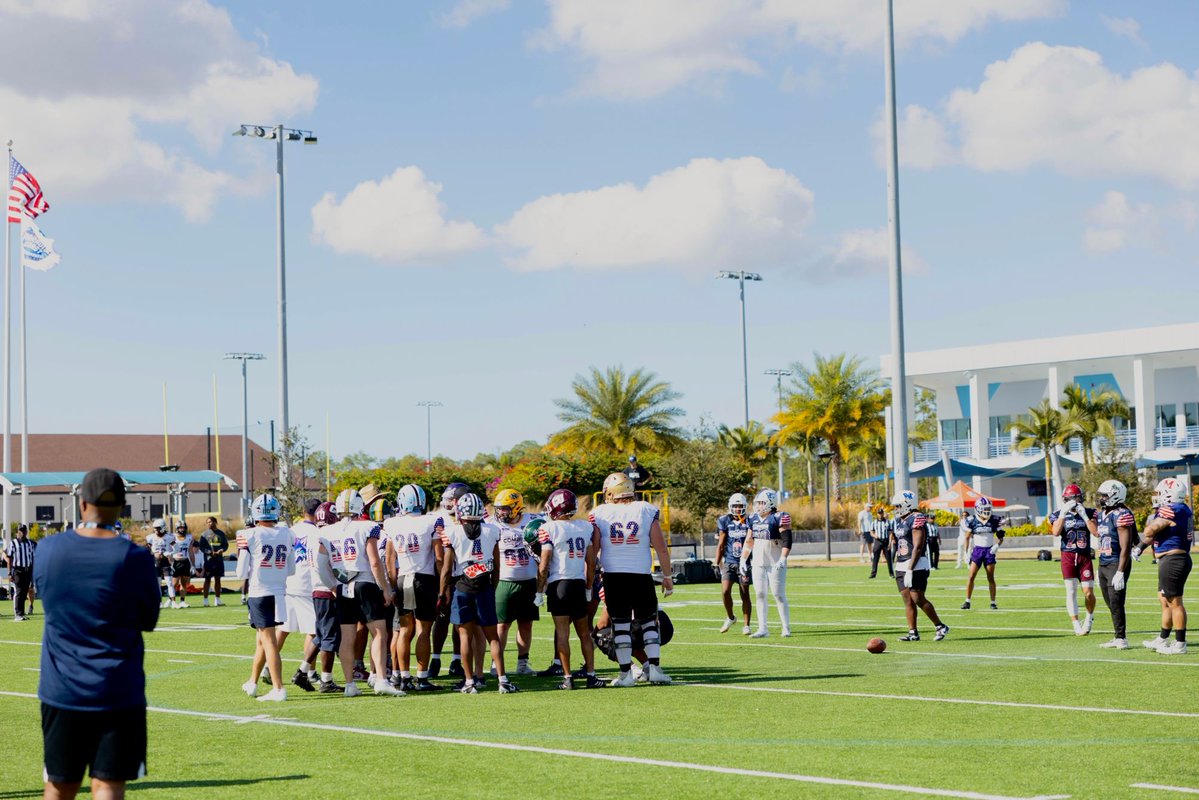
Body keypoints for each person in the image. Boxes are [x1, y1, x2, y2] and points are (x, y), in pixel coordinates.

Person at [35, 468, 159, 800]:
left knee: (59, 785)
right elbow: (149, 620)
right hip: (119, 689)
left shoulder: (48, 550)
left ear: (82, 503)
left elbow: (47, 598)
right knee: (108, 785)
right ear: (122, 505)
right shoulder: (136, 558)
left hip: (62, 690)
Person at [591, 472, 673, 686]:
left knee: (620, 625)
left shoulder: (600, 513)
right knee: (648, 623)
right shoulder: (645, 509)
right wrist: (667, 576)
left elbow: (595, 548)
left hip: (614, 576)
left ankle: (626, 674)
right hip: (641, 575)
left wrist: (588, 575)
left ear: (611, 493)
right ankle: (654, 669)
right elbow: (661, 548)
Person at [327, 489, 402, 696]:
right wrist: (385, 589)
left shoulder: (328, 531)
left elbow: (320, 562)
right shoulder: (368, 527)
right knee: (379, 633)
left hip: (342, 585)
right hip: (364, 583)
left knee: (347, 637)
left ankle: (350, 685)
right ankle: (381, 680)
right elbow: (375, 562)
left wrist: (332, 585)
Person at [439, 492, 515, 694]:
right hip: (484, 587)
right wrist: (494, 587)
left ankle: (469, 681)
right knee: (493, 637)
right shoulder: (492, 530)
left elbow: (447, 569)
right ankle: (502, 680)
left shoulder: (452, 532)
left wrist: (442, 591)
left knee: (465, 636)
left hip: (462, 587)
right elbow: (498, 567)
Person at [535, 489, 603, 689]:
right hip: (577, 584)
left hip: (559, 586)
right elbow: (591, 563)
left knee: (562, 633)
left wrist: (539, 591)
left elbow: (544, 564)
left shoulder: (549, 528)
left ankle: (567, 678)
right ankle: (591, 675)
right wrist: (589, 586)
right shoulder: (585, 527)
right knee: (583, 633)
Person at [383, 484, 444, 692]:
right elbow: (438, 558)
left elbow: (390, 560)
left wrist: (393, 586)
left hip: (403, 579)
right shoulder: (432, 520)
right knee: (424, 631)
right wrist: (443, 585)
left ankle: (404, 677)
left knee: (404, 631)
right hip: (423, 579)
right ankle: (422, 678)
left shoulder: (391, 523)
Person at [235, 494, 295, 702]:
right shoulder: (287, 533)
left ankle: (278, 688)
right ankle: (252, 682)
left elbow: (241, 572)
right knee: (262, 639)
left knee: (268, 640)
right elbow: (291, 569)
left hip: (259, 592)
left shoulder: (249, 534)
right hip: (279, 591)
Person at [1136, 477, 1193, 655]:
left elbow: (1149, 531)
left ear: (1169, 495)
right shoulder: (1182, 509)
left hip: (1173, 560)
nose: (1158, 497)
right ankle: (1163, 638)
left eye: (1160, 493)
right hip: (1172, 559)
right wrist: (1140, 547)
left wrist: (1154, 519)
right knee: (1165, 601)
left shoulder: (1172, 510)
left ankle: (1180, 644)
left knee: (1175, 602)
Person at [491, 488, 540, 679]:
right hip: (504, 581)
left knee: (526, 624)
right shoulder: (492, 525)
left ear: (516, 506)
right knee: (501, 626)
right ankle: (496, 663)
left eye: (504, 509)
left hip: (529, 581)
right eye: (499, 509)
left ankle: (522, 663)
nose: (500, 513)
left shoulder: (534, 521)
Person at [891, 490, 950, 642]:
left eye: (898, 506)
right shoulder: (898, 520)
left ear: (907, 505)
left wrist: (910, 568)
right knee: (907, 599)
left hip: (916, 563)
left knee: (917, 597)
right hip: (902, 562)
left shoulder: (917, 518)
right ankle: (913, 632)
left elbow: (918, 546)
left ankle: (940, 626)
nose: (896, 509)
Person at [278, 499, 322, 692]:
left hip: (289, 582)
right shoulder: (317, 532)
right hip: (306, 584)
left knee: (284, 629)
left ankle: (265, 668)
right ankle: (310, 672)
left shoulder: (291, 530)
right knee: (314, 630)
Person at [429, 481, 471, 679]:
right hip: (442, 576)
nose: (447, 503)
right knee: (442, 618)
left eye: (451, 499)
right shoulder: (436, 519)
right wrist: (442, 585)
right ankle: (435, 658)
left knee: (460, 621)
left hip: (464, 576)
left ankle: (456, 659)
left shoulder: (471, 517)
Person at [740, 488, 792, 638]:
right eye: (757, 503)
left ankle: (786, 627)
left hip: (775, 560)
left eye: (762, 503)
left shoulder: (779, 517)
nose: (758, 506)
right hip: (758, 561)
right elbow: (749, 541)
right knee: (760, 594)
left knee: (778, 594)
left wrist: (783, 558)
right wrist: (743, 559)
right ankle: (763, 628)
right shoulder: (752, 518)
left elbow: (787, 540)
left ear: (771, 503)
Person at [1048, 483, 1097, 636]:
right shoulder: (1057, 514)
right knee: (1071, 591)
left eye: (1077, 498)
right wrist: (1063, 513)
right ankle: (1075, 623)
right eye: (1072, 499)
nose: (1075, 502)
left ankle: (1089, 617)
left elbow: (1096, 532)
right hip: (1068, 555)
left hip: (1084, 555)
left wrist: (1084, 516)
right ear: (1065, 500)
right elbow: (1055, 532)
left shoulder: (1090, 512)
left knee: (1088, 592)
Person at [1095, 479, 1135, 649]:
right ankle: (1117, 635)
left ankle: (1121, 638)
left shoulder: (1121, 514)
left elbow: (1126, 546)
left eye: (1105, 495)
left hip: (1116, 562)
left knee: (1116, 601)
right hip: (1103, 562)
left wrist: (1120, 571)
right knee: (1110, 602)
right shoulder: (1103, 514)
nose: (1102, 498)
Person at [310, 501, 344, 693]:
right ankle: (326, 680)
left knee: (322, 636)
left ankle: (303, 670)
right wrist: (333, 586)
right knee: (329, 638)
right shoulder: (326, 536)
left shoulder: (313, 533)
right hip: (326, 589)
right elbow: (322, 566)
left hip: (317, 588)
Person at [715, 493, 752, 634]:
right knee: (725, 592)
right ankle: (730, 617)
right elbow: (721, 543)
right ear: (730, 506)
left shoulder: (749, 520)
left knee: (745, 593)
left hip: (744, 563)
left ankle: (746, 625)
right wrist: (716, 563)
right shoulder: (724, 520)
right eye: (735, 506)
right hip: (729, 562)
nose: (737, 509)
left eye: (740, 506)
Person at [961, 497, 1004, 610]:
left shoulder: (994, 520)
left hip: (989, 551)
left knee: (990, 577)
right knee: (971, 576)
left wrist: (997, 546)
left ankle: (993, 602)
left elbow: (1000, 537)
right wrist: (966, 553)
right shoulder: (972, 520)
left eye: (988, 508)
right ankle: (967, 601)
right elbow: (967, 538)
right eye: (984, 509)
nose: (986, 511)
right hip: (977, 551)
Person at [5, 524, 36, 620]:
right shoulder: (13, 543)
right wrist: (10, 572)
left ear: (26, 531)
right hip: (17, 570)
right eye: (20, 530)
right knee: (18, 591)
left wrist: (32, 572)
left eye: (23, 530)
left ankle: (21, 613)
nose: (22, 532)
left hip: (27, 570)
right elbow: (9, 558)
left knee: (24, 592)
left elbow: (32, 558)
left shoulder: (30, 544)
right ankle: (17, 614)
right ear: (18, 532)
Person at [198, 517, 228, 607]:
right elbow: (201, 547)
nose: (209, 523)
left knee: (218, 579)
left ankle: (217, 600)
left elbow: (225, 545)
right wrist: (210, 552)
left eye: (210, 522)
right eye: (207, 522)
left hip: (218, 560)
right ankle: (205, 600)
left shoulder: (221, 534)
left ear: (215, 522)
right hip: (209, 561)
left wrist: (222, 550)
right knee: (207, 580)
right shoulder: (204, 534)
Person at [167, 522, 196, 609]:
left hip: (185, 562)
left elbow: (191, 551)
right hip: (176, 562)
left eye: (183, 528)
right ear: (176, 528)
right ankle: (171, 600)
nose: (182, 529)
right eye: (180, 528)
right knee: (174, 584)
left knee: (184, 583)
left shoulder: (189, 538)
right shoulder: (172, 537)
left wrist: (193, 565)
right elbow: (168, 551)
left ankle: (182, 601)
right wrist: (171, 563)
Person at [145, 519, 171, 609]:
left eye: (158, 528)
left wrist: (168, 553)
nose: (156, 530)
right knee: (158, 583)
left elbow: (175, 548)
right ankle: (159, 602)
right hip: (156, 561)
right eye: (155, 528)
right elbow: (148, 550)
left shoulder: (169, 537)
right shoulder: (150, 537)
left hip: (165, 561)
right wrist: (154, 553)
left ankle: (172, 601)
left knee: (169, 582)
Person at [868, 507, 894, 579]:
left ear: (883, 513)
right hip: (878, 541)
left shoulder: (888, 522)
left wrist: (889, 542)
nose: (880, 515)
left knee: (889, 558)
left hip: (886, 541)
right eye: (879, 513)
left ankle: (891, 574)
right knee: (875, 558)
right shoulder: (874, 522)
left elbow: (891, 533)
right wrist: (874, 535)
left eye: (881, 513)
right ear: (877, 514)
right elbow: (871, 532)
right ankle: (873, 573)